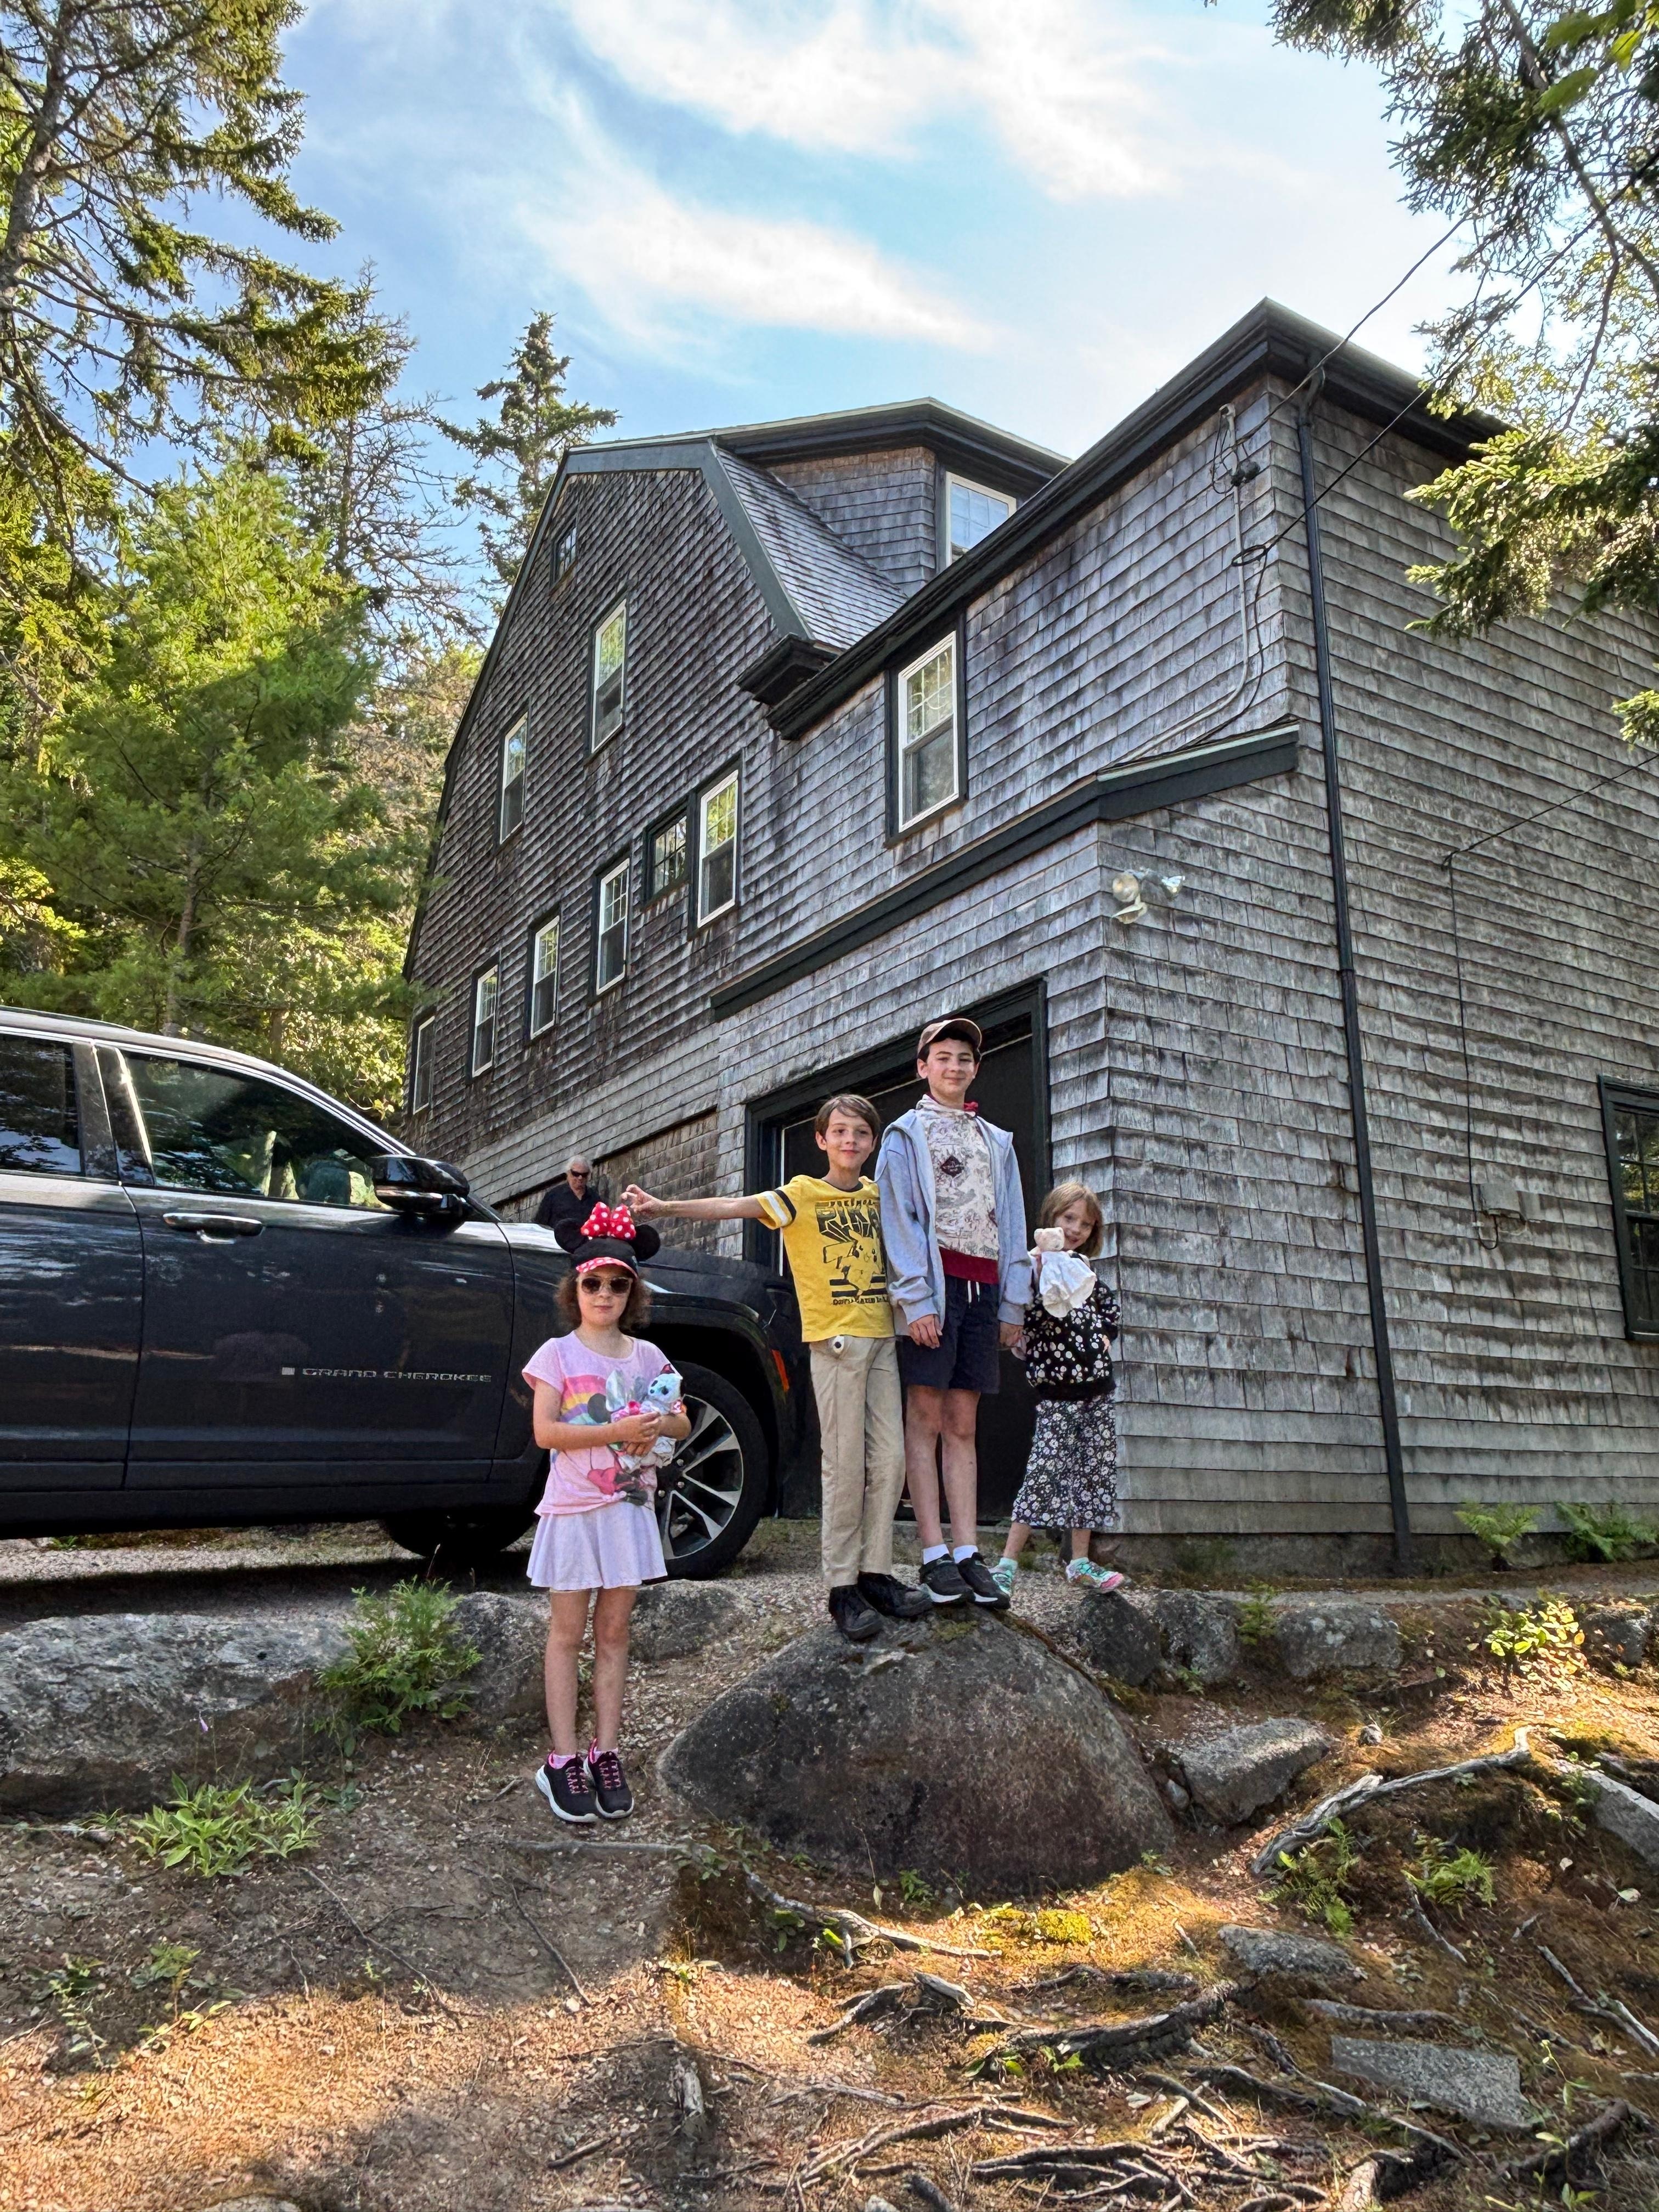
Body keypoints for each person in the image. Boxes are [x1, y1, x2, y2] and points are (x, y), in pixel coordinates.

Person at [624, 1097, 933, 1642]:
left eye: (861, 1133)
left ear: (872, 1142)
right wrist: (663, 1206)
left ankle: (877, 1572)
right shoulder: (801, 1194)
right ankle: (842, 1586)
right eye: (840, 1132)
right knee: (844, 1465)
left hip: (883, 1339)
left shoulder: (878, 1195)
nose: (851, 1141)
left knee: (890, 1460)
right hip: (836, 1342)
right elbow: (732, 1206)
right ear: (822, 1139)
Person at [523, 1202, 690, 1824]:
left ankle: (606, 1752)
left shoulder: (647, 1357)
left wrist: (657, 1426)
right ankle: (562, 1759)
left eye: (618, 1285)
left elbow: (682, 1419)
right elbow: (545, 1432)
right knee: (567, 1634)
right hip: (572, 1510)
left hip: (627, 1508)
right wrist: (615, 1431)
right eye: (593, 1282)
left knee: (615, 1632)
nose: (604, 1294)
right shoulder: (557, 1355)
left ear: (632, 1292)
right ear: (575, 1288)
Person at [876, 1015, 1028, 1609]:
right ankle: (933, 1552)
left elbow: (1011, 1222)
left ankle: (968, 1552)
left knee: (964, 1422)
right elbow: (898, 1220)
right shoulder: (904, 1136)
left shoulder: (997, 1141)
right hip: (934, 1291)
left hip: (983, 1289)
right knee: (926, 1416)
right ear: (923, 1067)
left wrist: (1013, 1301)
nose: (954, 1066)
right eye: (943, 1057)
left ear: (975, 1068)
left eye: (964, 1058)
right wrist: (915, 1298)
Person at [992, 1182, 1128, 1601]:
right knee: (1044, 1472)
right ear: (1051, 1217)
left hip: (1098, 1386)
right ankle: (1007, 1563)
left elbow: (1109, 1309)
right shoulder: (1031, 1267)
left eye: (1085, 1225)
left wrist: (1104, 1337)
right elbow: (1018, 1314)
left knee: (1092, 1472)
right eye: (1069, 1219)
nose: (1075, 1230)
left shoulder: (1083, 1269)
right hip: (1057, 1390)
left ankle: (1080, 1562)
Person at [535, 1156, 605, 1233]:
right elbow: (540, 1225)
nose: (580, 1178)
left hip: (586, 1240)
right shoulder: (553, 1196)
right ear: (568, 1173)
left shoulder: (595, 1198)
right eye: (576, 1174)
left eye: (584, 1175)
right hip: (557, 1239)